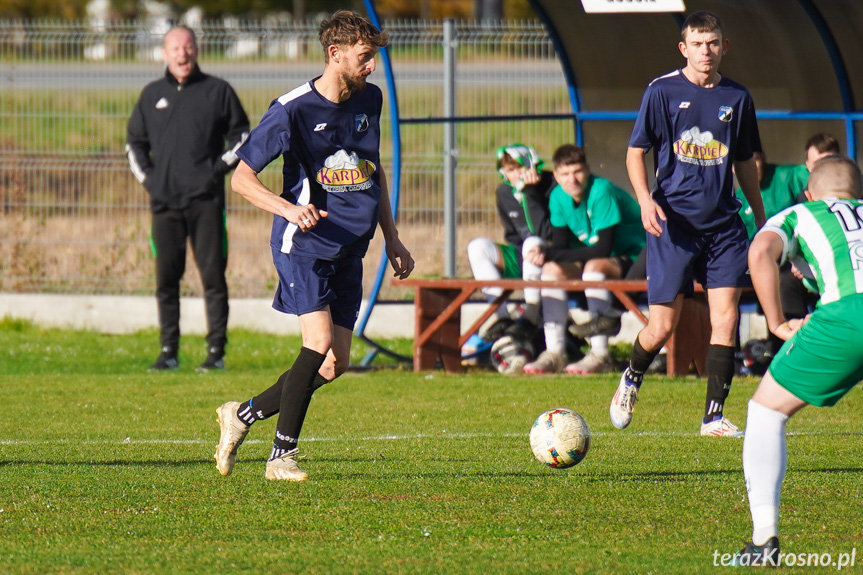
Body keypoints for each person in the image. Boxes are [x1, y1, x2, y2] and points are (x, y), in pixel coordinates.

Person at [213, 11, 414, 482]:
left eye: (374, 58)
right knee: (317, 344)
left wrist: (392, 234)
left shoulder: (372, 99)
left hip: (351, 246)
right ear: (334, 53)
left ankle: (239, 416)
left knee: (335, 363)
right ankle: (281, 457)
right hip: (303, 244)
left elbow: (373, 169)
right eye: (364, 58)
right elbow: (241, 179)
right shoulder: (292, 109)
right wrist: (287, 210)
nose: (371, 67)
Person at [609, 11, 765, 437]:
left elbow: (745, 161)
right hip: (671, 224)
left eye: (713, 43)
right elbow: (634, 152)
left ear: (724, 47)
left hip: (723, 227)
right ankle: (632, 378)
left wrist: (760, 215)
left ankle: (713, 416)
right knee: (661, 326)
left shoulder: (738, 97)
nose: (706, 51)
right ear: (684, 48)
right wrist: (644, 200)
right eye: (697, 44)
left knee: (727, 318)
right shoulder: (662, 91)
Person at [732, 155, 863, 566]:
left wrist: (776, 322)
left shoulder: (802, 212)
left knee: (765, 413)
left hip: (847, 317)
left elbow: (759, 254)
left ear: (810, 192)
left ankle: (763, 541)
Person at [126, 25, 250, 371]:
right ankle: (168, 352)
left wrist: (214, 172)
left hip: (205, 202)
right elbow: (134, 143)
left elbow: (242, 137)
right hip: (164, 203)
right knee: (166, 278)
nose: (182, 54)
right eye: (175, 48)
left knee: (212, 275)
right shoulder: (152, 95)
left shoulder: (218, 91)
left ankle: (216, 353)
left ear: (196, 50)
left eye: (188, 47)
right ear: (164, 53)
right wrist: (151, 180)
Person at [522, 144, 644, 375]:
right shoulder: (558, 196)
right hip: (603, 259)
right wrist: (547, 256)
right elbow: (559, 247)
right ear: (556, 175)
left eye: (577, 171)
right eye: (565, 174)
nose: (572, 179)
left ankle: (600, 354)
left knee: (593, 266)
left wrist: (551, 253)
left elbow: (603, 249)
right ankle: (555, 352)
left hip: (638, 257)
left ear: (588, 169)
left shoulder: (602, 191)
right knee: (551, 270)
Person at [465, 144, 555, 348]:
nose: (515, 174)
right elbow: (513, 236)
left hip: (553, 258)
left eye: (519, 168)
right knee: (477, 246)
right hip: (524, 257)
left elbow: (547, 233)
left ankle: (530, 319)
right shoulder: (504, 192)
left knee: (532, 242)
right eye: (510, 170)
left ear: (532, 165)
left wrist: (530, 193)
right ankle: (501, 315)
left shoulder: (551, 185)